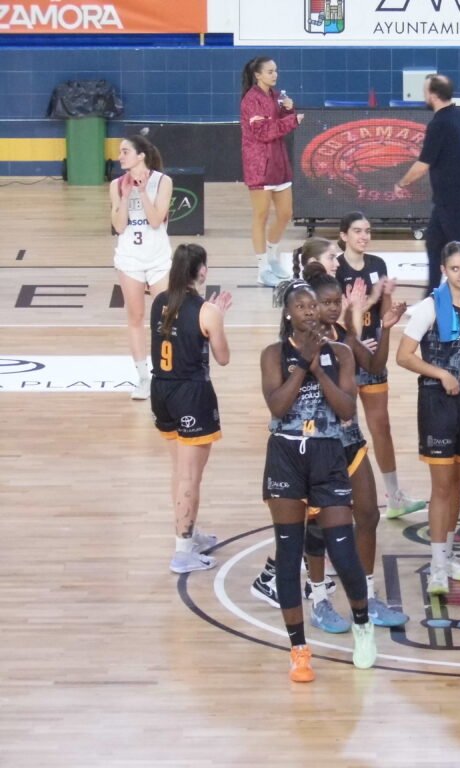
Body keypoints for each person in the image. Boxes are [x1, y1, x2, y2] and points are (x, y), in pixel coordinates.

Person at [251, 264, 410, 629]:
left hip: (348, 443)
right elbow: (278, 405)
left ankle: (366, 594)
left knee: (368, 515)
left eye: (336, 302)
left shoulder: (341, 340)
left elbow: (374, 366)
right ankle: (319, 597)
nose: (331, 308)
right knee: (316, 529)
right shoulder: (282, 351)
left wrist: (386, 328)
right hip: (310, 451)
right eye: (324, 303)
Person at [260, 278, 376, 682]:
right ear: (288, 313)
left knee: (342, 550)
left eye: (313, 306)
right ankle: (298, 649)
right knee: (289, 552)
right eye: (302, 306)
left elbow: (346, 409)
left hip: (327, 453)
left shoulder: (340, 353)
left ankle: (362, 626)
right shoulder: (273, 354)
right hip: (286, 454)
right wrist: (301, 366)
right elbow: (277, 406)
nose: (310, 312)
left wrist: (317, 369)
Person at [396, 242, 460, 595]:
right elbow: (404, 356)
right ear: (443, 271)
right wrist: (441, 374)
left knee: (459, 487)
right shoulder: (429, 307)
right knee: (442, 487)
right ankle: (436, 568)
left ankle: (447, 556)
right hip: (438, 403)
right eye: (455, 268)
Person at [337, 211, 426, 518]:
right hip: (346, 357)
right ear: (343, 235)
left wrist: (389, 302)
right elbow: (341, 318)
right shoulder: (336, 269)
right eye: (357, 231)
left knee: (381, 426)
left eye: (367, 230)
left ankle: (394, 496)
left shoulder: (377, 264)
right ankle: (340, 498)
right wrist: (370, 301)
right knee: (345, 431)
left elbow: (384, 313)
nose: (364, 236)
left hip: (374, 354)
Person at [151, 244, 231, 573]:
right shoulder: (206, 311)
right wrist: (218, 318)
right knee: (190, 476)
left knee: (179, 471)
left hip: (162, 390)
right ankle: (183, 551)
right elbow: (223, 358)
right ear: (202, 271)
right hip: (191, 395)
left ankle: (188, 530)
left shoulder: (159, 301)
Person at [396, 75, 460, 292]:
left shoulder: (440, 123)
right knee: (434, 241)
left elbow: (423, 164)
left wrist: (402, 183)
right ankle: (432, 293)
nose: (424, 95)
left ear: (432, 95)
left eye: (425, 91)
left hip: (452, 197)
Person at [110, 134, 173, 401]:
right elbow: (119, 226)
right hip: (130, 259)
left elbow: (156, 220)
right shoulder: (116, 185)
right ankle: (143, 378)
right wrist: (126, 197)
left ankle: (166, 372)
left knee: (166, 318)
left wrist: (143, 192)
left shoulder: (163, 181)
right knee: (135, 317)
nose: (119, 157)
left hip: (158, 259)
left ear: (141, 156)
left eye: (125, 152)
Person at [240, 57, 304, 286]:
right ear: (257, 75)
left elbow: (280, 124)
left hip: (279, 162)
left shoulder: (276, 96)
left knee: (286, 213)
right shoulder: (251, 100)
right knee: (261, 215)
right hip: (259, 165)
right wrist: (292, 121)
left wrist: (289, 109)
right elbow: (263, 132)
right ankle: (262, 269)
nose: (275, 75)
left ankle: (272, 256)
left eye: (276, 70)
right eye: (269, 71)